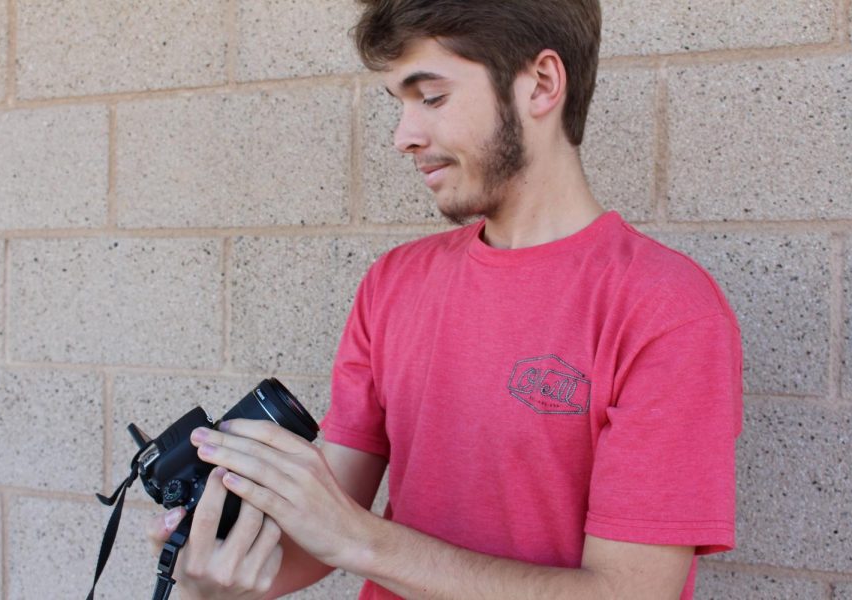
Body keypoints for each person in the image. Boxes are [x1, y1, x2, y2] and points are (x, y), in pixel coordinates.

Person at [147, 1, 743, 598]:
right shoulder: (393, 284)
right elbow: (319, 539)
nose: (404, 137)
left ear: (540, 85)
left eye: (431, 97)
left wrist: (362, 539)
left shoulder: (667, 310)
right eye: (399, 105)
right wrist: (215, 565)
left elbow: (629, 593)